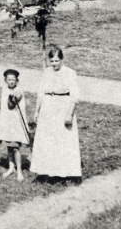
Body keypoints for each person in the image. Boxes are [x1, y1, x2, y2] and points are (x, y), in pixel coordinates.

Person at [30, 46, 81, 181]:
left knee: (63, 140)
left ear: (62, 59)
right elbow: (41, 92)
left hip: (63, 106)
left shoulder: (70, 73)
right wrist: (37, 110)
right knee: (47, 139)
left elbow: (75, 96)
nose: (54, 64)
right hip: (48, 107)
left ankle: (65, 174)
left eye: (57, 61)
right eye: (52, 61)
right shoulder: (46, 72)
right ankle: (47, 172)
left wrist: (69, 114)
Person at [0, 68, 31, 181]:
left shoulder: (19, 90)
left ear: (16, 80)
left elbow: (11, 104)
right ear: (5, 80)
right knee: (9, 147)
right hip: (7, 123)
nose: (11, 81)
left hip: (16, 124)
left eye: (13, 79)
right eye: (9, 79)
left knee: (16, 148)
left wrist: (14, 97)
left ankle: (19, 171)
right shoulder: (4, 88)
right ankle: (11, 167)